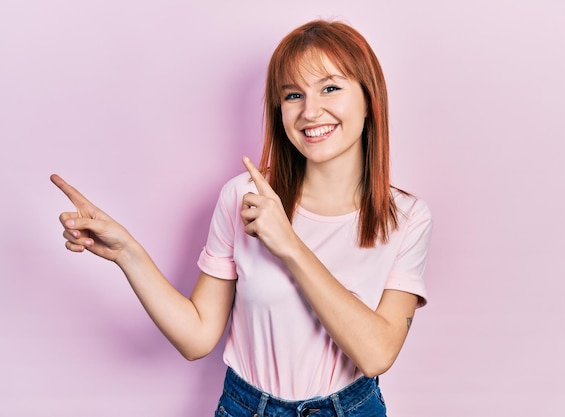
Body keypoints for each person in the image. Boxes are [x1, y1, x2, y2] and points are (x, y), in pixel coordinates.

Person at [51, 19, 433, 417]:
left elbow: (376, 354)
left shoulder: (406, 218)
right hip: (248, 408)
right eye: (292, 95)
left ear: (369, 99)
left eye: (330, 88)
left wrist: (289, 246)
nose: (310, 110)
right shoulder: (243, 197)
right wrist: (127, 252)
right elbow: (197, 336)